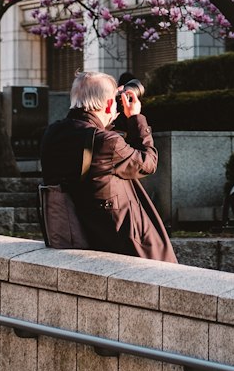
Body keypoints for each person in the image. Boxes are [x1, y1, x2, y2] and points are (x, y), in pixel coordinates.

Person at [38, 70, 176, 261]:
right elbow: (148, 162)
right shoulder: (107, 143)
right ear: (110, 103)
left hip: (81, 232)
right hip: (123, 240)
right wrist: (135, 118)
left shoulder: (53, 133)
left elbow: (90, 135)